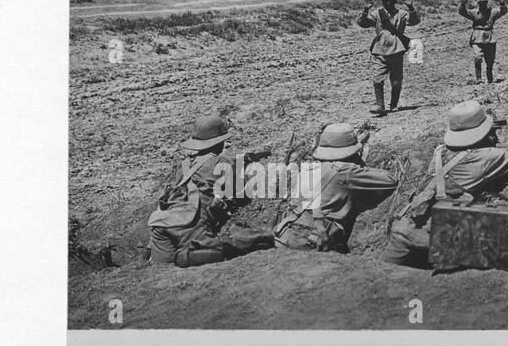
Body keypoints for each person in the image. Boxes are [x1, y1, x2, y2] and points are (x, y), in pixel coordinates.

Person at [381, 100, 508, 268]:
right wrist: (496, 143)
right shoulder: (485, 157)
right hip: (439, 238)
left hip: (404, 229)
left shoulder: (439, 151)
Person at [146, 114, 275, 267]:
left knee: (159, 272)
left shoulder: (183, 165)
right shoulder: (223, 163)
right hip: (189, 226)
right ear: (219, 143)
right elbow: (244, 198)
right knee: (215, 255)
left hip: (160, 225)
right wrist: (240, 169)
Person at [274, 122, 397, 252]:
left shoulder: (309, 167)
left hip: (284, 235)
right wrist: (358, 161)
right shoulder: (347, 171)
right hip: (310, 243)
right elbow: (391, 181)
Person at [357, 0, 420, 116]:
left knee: (396, 81)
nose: (388, 2)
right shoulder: (378, 14)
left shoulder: (401, 14)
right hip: (380, 50)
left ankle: (394, 105)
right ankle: (380, 105)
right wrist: (365, 9)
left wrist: (411, 7)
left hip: (396, 50)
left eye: (390, 0)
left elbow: (415, 21)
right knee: (377, 79)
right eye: (385, 0)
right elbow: (362, 23)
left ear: (395, 1)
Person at [458, 0, 508, 83]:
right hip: (477, 38)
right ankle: (479, 78)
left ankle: (489, 73)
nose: (482, 5)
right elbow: (462, 12)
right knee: (477, 57)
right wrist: (463, 3)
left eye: (484, 3)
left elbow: (503, 11)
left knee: (490, 60)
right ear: (478, 4)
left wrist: (502, 3)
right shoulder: (474, 13)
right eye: (480, 3)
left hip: (489, 38)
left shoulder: (492, 12)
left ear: (487, 3)